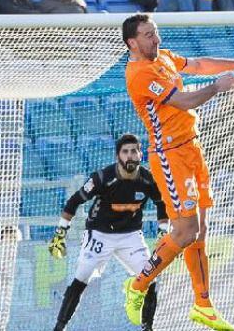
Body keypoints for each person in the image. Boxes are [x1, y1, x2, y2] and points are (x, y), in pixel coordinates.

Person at [120, 14, 234, 329]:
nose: (156, 40)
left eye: (156, 33)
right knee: (185, 232)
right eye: (148, 35)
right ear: (132, 42)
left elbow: (198, 64)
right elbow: (185, 101)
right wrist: (218, 87)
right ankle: (137, 285)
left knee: (199, 231)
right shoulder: (139, 74)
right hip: (170, 156)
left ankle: (203, 304)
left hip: (192, 149)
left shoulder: (164, 57)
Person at [47, 134, 167, 331]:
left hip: (130, 236)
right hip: (99, 234)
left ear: (140, 154)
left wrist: (163, 231)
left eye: (134, 151)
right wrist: (61, 233)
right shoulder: (102, 177)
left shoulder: (148, 180)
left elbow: (162, 203)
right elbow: (74, 202)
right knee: (81, 277)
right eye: (125, 152)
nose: (130, 156)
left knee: (151, 277)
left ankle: (148, 327)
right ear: (117, 155)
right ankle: (59, 327)